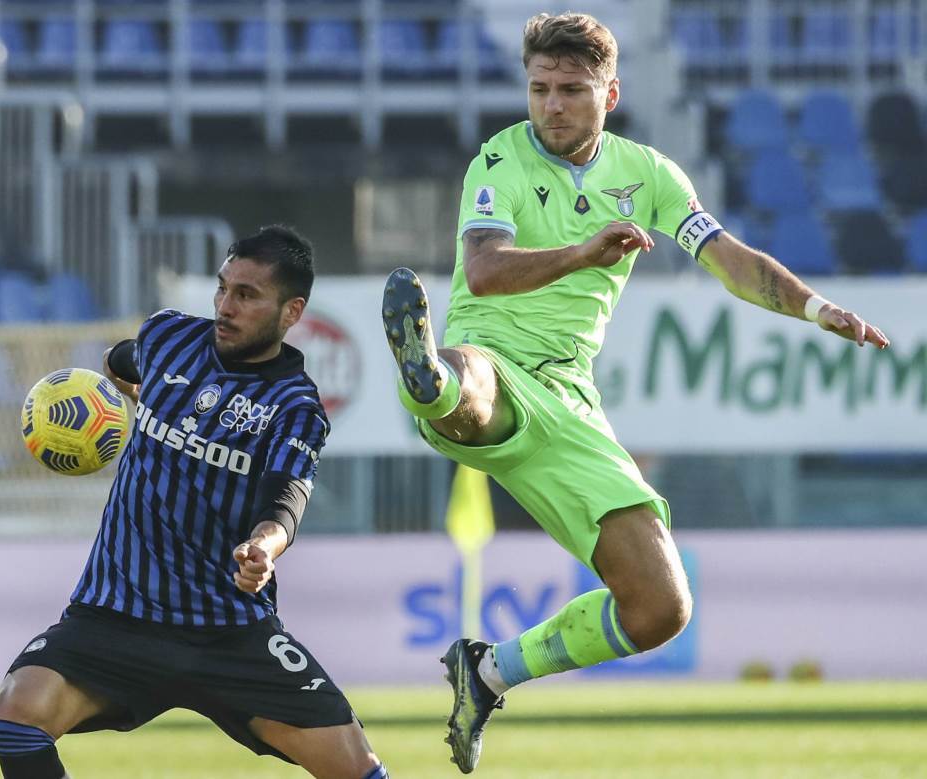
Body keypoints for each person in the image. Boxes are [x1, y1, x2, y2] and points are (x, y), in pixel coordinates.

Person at [381, 12, 890, 774]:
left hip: (571, 399)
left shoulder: (648, 174)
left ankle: (485, 672)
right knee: (475, 387)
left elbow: (731, 260)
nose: (551, 106)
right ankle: (428, 381)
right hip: (490, 356)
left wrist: (815, 308)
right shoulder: (498, 159)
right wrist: (585, 252)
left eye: (571, 90)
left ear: (609, 93)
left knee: (660, 606)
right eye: (539, 89)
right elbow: (485, 271)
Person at [0, 226, 389, 779]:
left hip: (226, 629)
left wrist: (263, 547)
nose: (226, 306)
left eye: (247, 296)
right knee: (16, 715)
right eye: (223, 288)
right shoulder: (166, 337)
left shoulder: (294, 406)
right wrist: (116, 397)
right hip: (115, 614)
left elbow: (286, 498)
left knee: (357, 770)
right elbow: (122, 361)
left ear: (292, 311)